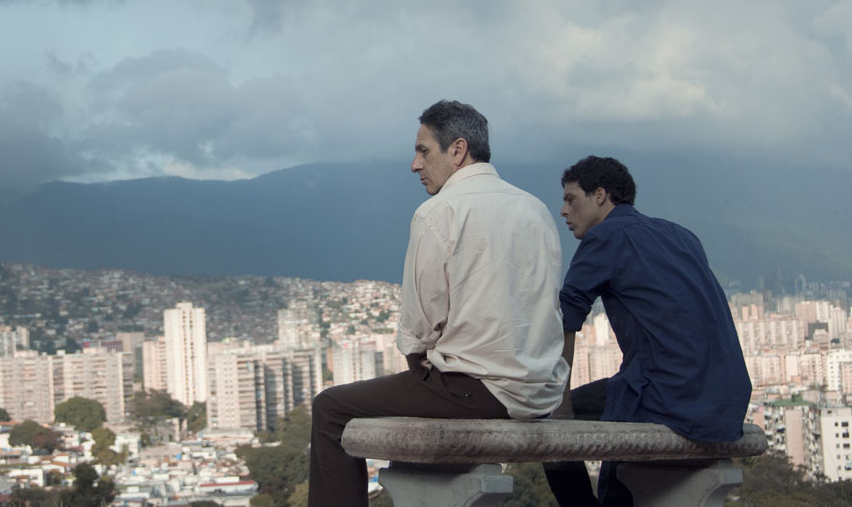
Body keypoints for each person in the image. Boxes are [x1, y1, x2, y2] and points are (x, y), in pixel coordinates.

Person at [308, 100, 569, 507]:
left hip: (481, 392)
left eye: (423, 150)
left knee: (329, 409)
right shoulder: (534, 209)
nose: (415, 164)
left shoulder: (438, 211)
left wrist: (422, 362)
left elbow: (417, 329)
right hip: (543, 393)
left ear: (458, 150)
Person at [543, 156, 751, 507]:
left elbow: (565, 319)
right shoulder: (681, 236)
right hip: (728, 397)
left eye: (570, 199)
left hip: (666, 394)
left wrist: (559, 408)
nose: (563, 210)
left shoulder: (604, 237)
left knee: (549, 426)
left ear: (600, 196)